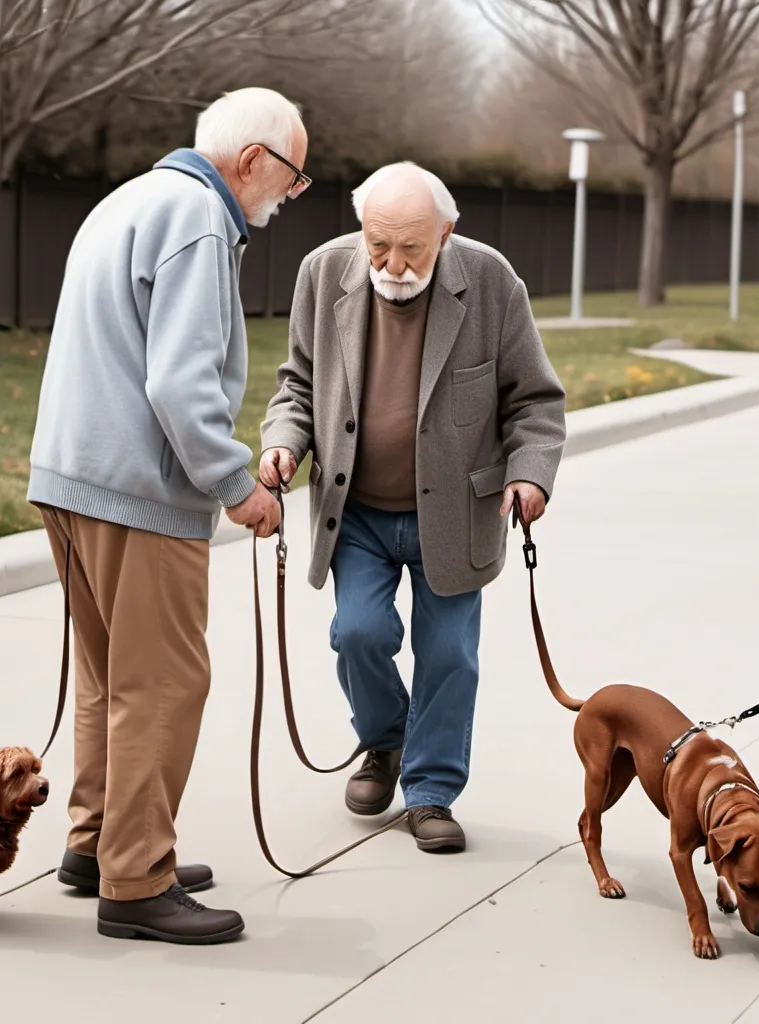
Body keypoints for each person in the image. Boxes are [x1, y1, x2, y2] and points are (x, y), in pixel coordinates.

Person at [28, 87, 309, 944]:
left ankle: (96, 844)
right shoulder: (197, 217)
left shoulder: (131, 197)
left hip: (69, 478)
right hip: (139, 495)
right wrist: (238, 486)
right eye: (292, 177)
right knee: (164, 683)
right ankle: (138, 880)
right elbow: (180, 385)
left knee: (108, 676)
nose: (290, 197)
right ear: (253, 160)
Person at [259, 162, 566, 853]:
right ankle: (385, 740)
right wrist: (284, 443)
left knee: (449, 654)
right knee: (357, 635)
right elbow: (297, 384)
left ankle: (430, 792)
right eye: (378, 246)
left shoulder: (490, 282)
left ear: (446, 233)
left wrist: (531, 476)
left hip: (457, 511)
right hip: (359, 511)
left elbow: (535, 402)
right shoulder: (323, 271)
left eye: (412, 249)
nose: (392, 266)